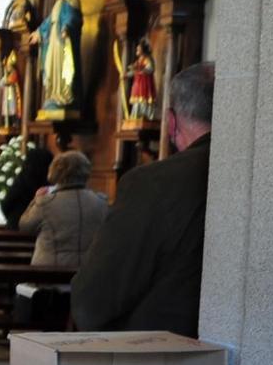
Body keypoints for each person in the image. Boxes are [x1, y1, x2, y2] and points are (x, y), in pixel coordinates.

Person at [72, 63, 215, 334]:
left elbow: (93, 301)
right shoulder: (260, 177)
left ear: (171, 122)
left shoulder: (152, 183)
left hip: (163, 357)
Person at [20, 151, 109, 267]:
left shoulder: (45, 202)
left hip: (49, 271)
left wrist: (35, 200)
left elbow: (25, 227)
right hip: (88, 272)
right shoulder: (101, 202)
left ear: (55, 172)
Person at [1, 144, 55, 226]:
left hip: (16, 225)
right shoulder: (50, 182)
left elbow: (6, 204)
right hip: (40, 228)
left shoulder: (21, 179)